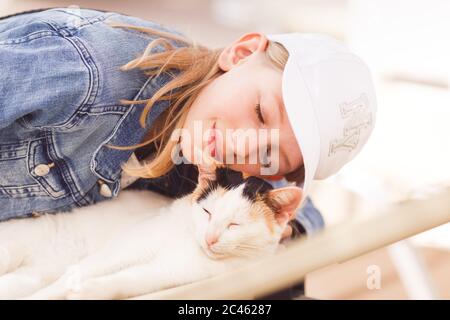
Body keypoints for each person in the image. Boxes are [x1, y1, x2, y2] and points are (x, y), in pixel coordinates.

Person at [0, 7, 376, 243]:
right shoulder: (87, 72)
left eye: (270, 157)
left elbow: (303, 216)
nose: (245, 147)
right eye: (260, 112)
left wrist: (281, 227)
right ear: (241, 53)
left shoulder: (208, 148)